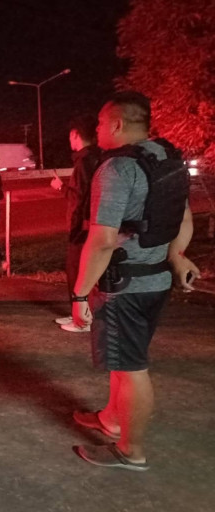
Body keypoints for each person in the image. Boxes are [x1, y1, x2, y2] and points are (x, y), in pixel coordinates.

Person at [70, 91, 200, 471]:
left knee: (132, 368)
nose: (97, 129)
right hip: (156, 280)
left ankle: (131, 450)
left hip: (123, 287)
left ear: (117, 124)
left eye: (99, 123)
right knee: (125, 358)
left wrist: (79, 295)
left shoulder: (116, 169)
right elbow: (183, 217)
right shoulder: (166, 157)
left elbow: (102, 241)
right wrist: (176, 255)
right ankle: (112, 418)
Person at [50, 115, 102, 332]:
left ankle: (82, 318)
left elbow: (78, 197)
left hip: (81, 226)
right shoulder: (95, 157)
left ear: (75, 135)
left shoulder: (84, 162)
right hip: (89, 224)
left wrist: (60, 187)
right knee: (81, 269)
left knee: (76, 270)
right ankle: (77, 313)